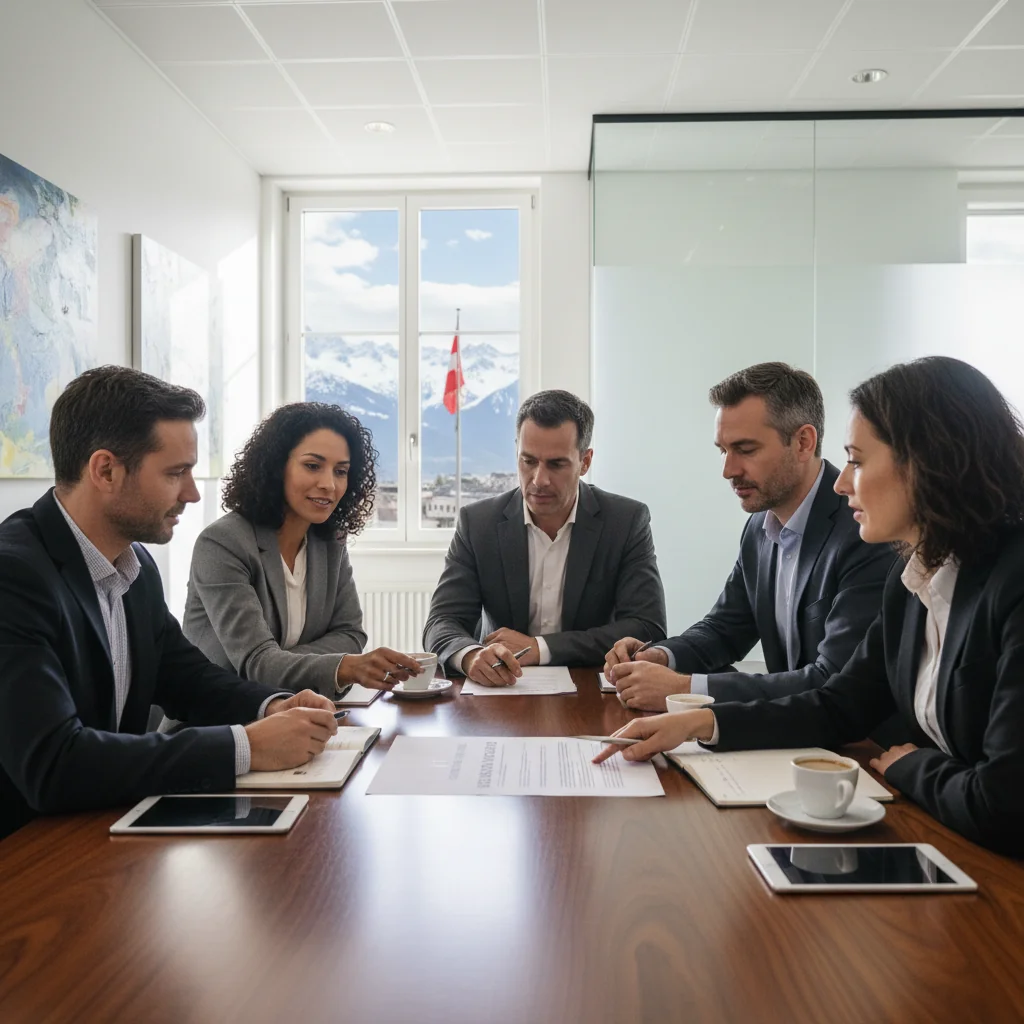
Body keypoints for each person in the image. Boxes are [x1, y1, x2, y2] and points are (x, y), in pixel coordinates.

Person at [596, 356, 1024, 855]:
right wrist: (700, 723)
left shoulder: (1007, 583)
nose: (844, 483)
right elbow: (839, 704)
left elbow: (1002, 804)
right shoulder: (915, 577)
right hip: (951, 835)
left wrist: (914, 767)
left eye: (859, 461)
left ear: (928, 464)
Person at [0, 367, 339, 841]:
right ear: (105, 471)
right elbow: (53, 763)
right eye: (176, 473)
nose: (193, 493)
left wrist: (272, 706)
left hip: (98, 828)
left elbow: (186, 678)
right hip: (27, 854)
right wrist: (245, 747)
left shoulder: (134, 562)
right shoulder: (14, 575)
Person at [604, 362, 897, 712]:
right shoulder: (761, 524)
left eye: (745, 450)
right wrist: (661, 656)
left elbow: (832, 679)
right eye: (723, 450)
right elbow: (726, 628)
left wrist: (685, 688)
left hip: (861, 748)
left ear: (804, 442)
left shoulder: (865, 530)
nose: (728, 470)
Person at [423, 389, 666, 686]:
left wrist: (541, 648)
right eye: (528, 461)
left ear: (585, 462)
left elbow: (647, 627)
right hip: (501, 692)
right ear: (516, 452)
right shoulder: (478, 523)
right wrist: (471, 655)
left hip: (590, 690)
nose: (539, 480)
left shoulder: (625, 521)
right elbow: (441, 622)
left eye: (556, 464)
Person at [182, 403, 422, 697]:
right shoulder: (223, 543)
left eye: (341, 471)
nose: (329, 484)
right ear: (276, 466)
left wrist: (282, 660)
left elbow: (351, 634)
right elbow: (256, 664)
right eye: (312, 466)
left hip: (301, 711)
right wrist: (341, 667)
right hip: (219, 724)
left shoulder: (330, 541)